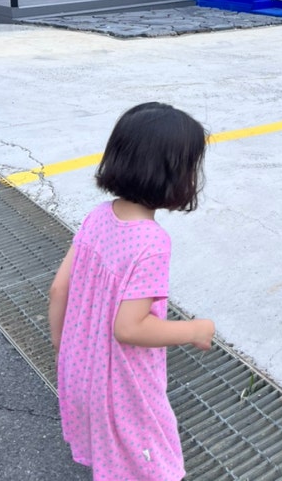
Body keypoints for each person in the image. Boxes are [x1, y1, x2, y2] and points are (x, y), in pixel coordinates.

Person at [48, 102, 216, 480]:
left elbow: (59, 289)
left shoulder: (97, 217)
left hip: (81, 373)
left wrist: (66, 351)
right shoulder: (151, 242)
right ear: (175, 175)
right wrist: (195, 330)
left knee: (113, 464)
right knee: (154, 466)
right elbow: (131, 328)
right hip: (124, 390)